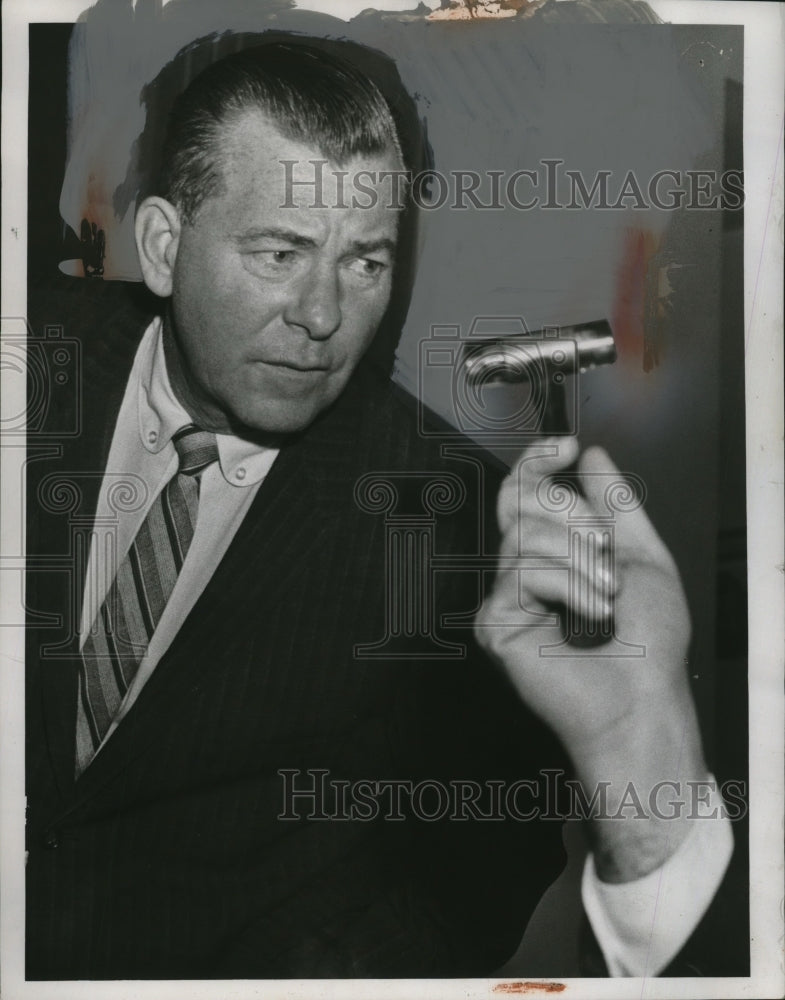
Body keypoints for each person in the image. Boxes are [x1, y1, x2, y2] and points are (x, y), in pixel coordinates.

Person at [25, 37, 739, 980]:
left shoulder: (453, 523)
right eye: (280, 252)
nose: (322, 316)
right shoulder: (30, 358)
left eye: (364, 262)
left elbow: (478, 870)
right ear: (163, 245)